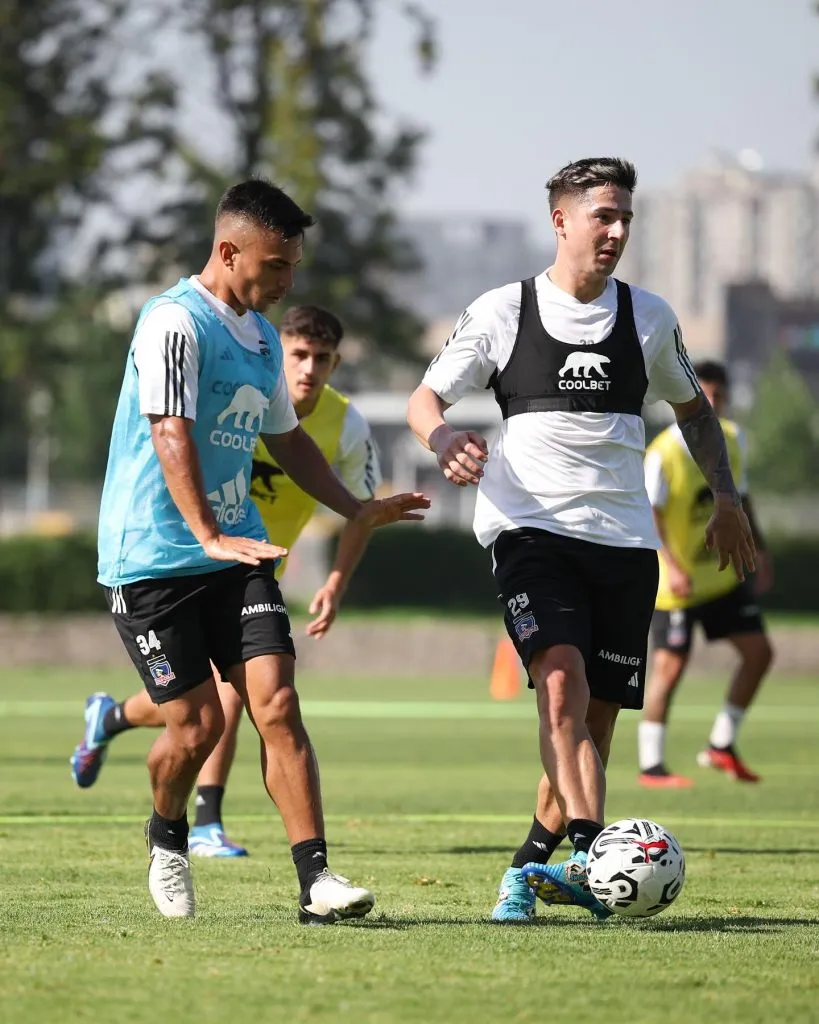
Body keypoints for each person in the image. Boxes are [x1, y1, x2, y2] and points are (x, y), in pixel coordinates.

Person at [406, 157, 755, 924]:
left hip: (624, 544)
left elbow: (692, 412)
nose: (617, 230)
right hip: (530, 532)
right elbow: (425, 397)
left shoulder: (650, 316)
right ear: (561, 220)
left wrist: (724, 498)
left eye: (625, 217)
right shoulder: (504, 310)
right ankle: (596, 854)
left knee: (588, 729)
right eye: (603, 215)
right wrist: (440, 440)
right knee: (558, 687)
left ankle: (529, 865)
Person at [84, 178, 428, 920]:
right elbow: (169, 430)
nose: (284, 282)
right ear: (228, 249)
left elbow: (288, 441)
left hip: (238, 556)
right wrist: (204, 531)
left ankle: (316, 883)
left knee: (276, 704)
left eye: (293, 268)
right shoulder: (173, 322)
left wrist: (357, 508)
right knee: (198, 726)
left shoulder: (262, 338)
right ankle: (167, 838)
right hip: (151, 559)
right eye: (274, 266)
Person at [71, 305, 382, 859]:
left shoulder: (347, 424)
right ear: (279, 354)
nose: (309, 369)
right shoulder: (243, 389)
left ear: (336, 364)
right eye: (299, 356)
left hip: (253, 568)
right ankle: (204, 819)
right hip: (190, 562)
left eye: (323, 359)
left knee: (253, 699)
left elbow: (362, 511)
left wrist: (336, 581)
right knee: (211, 707)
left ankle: (115, 721)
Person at [638, 360, 773, 787]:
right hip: (675, 582)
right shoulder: (664, 452)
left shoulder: (733, 440)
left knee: (759, 653)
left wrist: (760, 551)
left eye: (718, 397)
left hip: (719, 575)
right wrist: (671, 566)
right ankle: (651, 765)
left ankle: (721, 744)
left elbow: (742, 498)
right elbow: (649, 514)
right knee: (670, 668)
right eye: (704, 395)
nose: (710, 404)